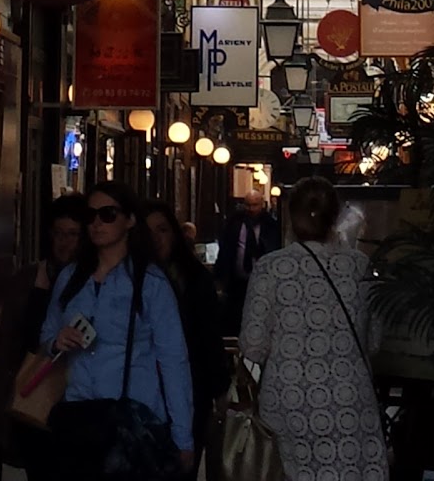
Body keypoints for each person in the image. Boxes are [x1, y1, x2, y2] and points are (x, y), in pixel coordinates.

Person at [41, 181, 194, 476]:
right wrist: (55, 342)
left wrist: (182, 437)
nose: (97, 223)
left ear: (130, 220)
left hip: (133, 419)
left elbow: (174, 360)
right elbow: (46, 334)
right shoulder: (71, 277)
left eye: (108, 214)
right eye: (90, 216)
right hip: (78, 413)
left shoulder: (150, 283)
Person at [239, 177, 387, 481]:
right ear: (335, 216)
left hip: (288, 400)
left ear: (291, 216)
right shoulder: (360, 266)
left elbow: (253, 345)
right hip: (350, 398)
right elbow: (373, 341)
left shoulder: (271, 268)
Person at [0, 192, 88, 480]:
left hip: (75, 396)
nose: (64, 242)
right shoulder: (29, 278)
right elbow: (8, 342)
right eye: (58, 233)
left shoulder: (93, 282)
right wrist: (1, 398)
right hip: (34, 388)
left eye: (72, 234)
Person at [144, 201, 229, 472]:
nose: (155, 239)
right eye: (148, 232)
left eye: (162, 230)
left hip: (192, 386)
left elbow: (209, 336)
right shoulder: (130, 279)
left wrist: (219, 388)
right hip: (144, 391)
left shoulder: (194, 278)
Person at [214, 188, 280, 336]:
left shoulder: (270, 226)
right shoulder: (235, 224)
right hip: (237, 283)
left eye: (255, 205)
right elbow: (226, 251)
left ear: (262, 205)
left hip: (262, 282)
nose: (251, 209)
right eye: (248, 205)